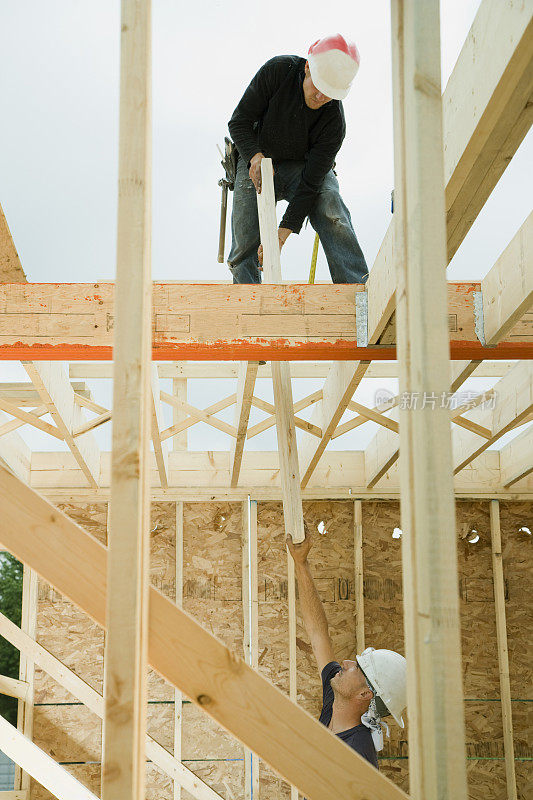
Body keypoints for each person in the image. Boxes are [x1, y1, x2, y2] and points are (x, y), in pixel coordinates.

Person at [227, 34, 369, 284]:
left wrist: (284, 231)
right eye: (319, 86)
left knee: (330, 203)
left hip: (302, 169)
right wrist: (253, 156)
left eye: (330, 93)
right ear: (307, 67)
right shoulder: (277, 72)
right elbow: (239, 122)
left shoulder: (334, 123)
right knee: (244, 236)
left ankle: (356, 289)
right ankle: (248, 301)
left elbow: (311, 183)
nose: (321, 97)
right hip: (257, 158)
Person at [286, 526, 407, 766]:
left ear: (365, 694)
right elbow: (318, 633)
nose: (347, 662)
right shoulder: (335, 700)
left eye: (358, 668)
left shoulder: (358, 755)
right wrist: (301, 564)